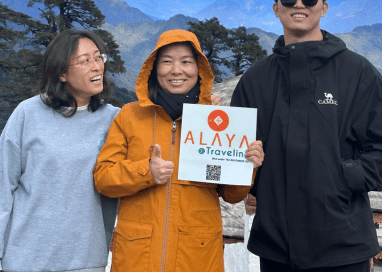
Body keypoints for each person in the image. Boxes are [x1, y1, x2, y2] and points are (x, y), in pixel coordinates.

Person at [231, 0, 382, 272]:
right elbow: (234, 150)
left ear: (324, 7)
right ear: (276, 8)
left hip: (345, 245)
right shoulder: (255, 80)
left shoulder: (358, 73)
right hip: (276, 247)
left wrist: (344, 177)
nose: (298, 4)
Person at [93, 29, 264, 272]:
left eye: (186, 62)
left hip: (196, 256)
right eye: (166, 62)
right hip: (137, 257)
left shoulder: (216, 120)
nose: (177, 70)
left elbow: (231, 195)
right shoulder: (130, 116)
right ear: (153, 68)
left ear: (199, 69)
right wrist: (146, 171)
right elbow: (103, 178)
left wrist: (247, 166)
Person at [0, 29, 120, 272]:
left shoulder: (116, 119)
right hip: (24, 260)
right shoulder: (28, 113)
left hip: (85, 261)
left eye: (99, 57)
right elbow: (1, 188)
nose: (97, 67)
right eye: (85, 61)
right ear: (62, 73)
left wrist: (207, 110)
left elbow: (165, 132)